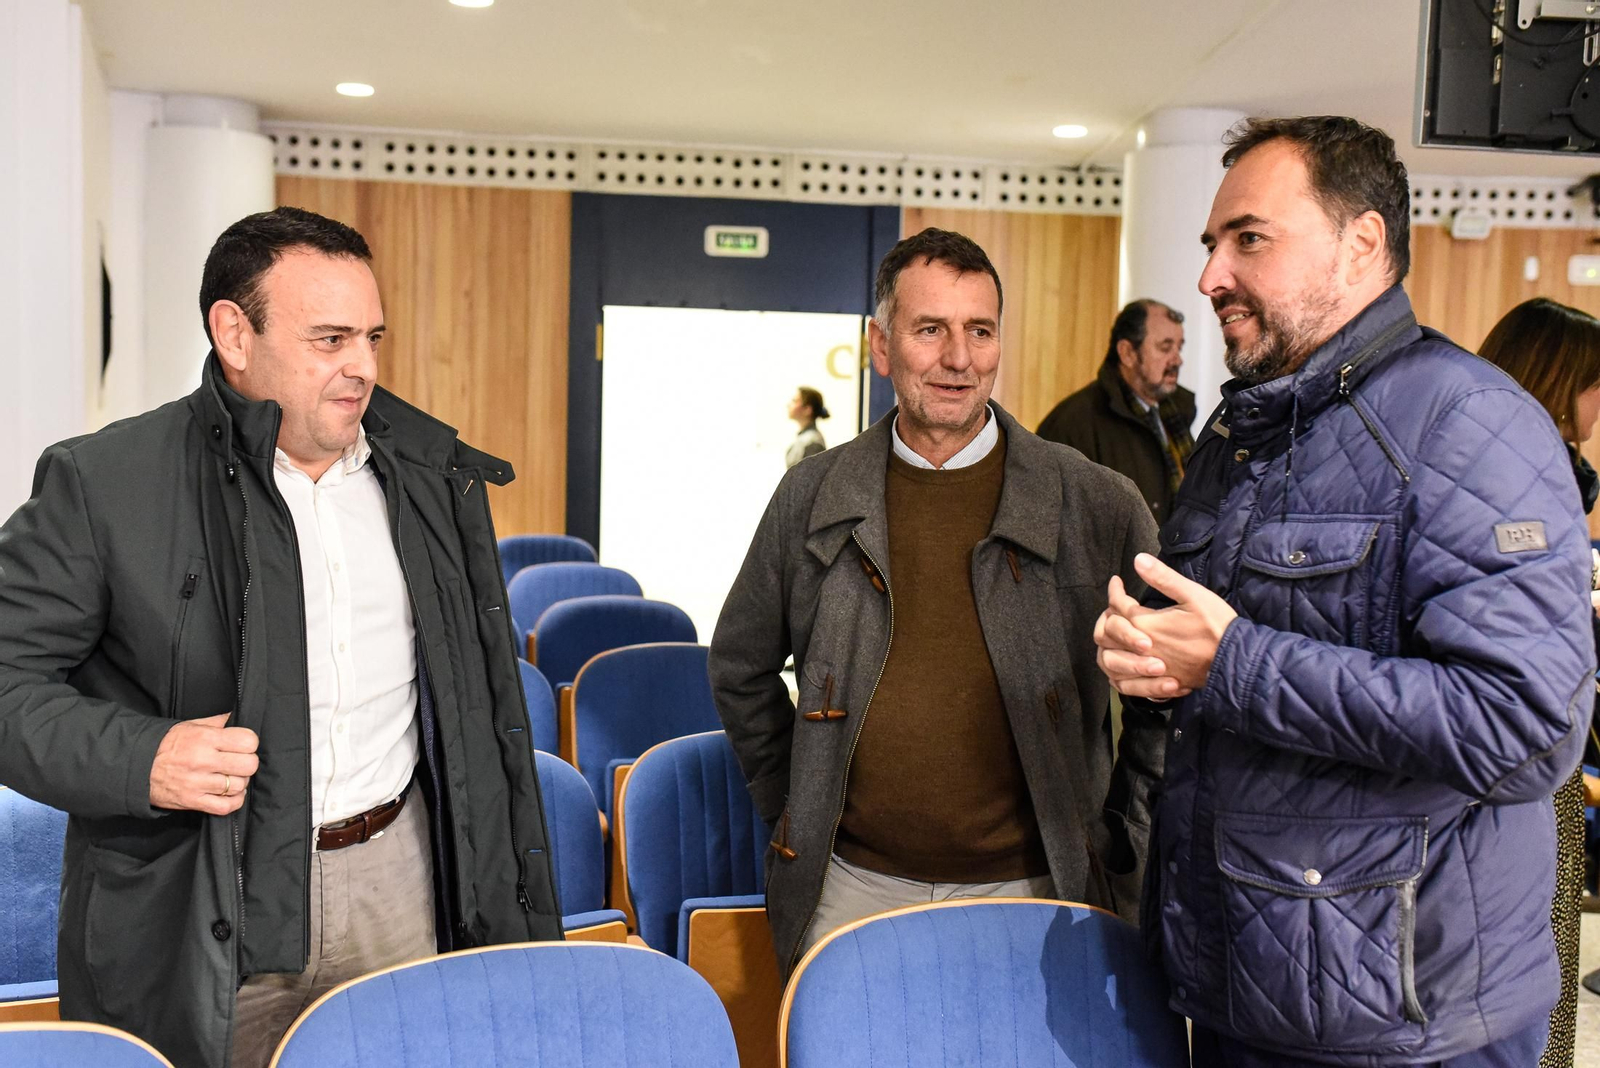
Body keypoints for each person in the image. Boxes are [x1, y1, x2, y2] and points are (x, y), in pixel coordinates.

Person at [0, 207, 562, 1068]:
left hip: (398, 878)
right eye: (330, 338)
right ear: (234, 332)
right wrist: (139, 756)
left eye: (373, 337)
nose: (364, 368)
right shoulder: (103, 483)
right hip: (203, 888)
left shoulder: (431, 477)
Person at [1095, 117, 1593, 1066]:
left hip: (1407, 1023)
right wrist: (1155, 656)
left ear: (1363, 241)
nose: (1211, 277)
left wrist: (1232, 662)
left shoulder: (1470, 424)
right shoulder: (1240, 437)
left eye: (1250, 238)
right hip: (1242, 985)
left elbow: (1526, 728)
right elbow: (1223, 658)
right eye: (1212, 245)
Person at [710, 227, 1163, 976]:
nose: (960, 358)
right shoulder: (813, 496)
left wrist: (1129, 835)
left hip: (1041, 891)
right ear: (881, 347)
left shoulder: (1096, 504)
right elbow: (739, 666)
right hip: (851, 891)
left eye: (979, 331)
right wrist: (800, 802)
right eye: (931, 330)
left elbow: (1168, 695)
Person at [1476, 296, 1600, 1068]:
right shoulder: (1525, 476)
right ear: (1560, 380)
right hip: (1523, 759)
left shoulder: (1533, 467)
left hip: (1530, 751)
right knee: (1536, 964)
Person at [1035, 299, 1196, 523]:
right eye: (1165, 347)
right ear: (1127, 353)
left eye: (1179, 347)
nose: (1177, 359)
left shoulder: (1176, 413)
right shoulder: (1073, 423)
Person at [785, 386, 829, 468]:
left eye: (794, 401)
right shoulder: (806, 439)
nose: (788, 405)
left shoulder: (813, 443)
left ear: (807, 409)